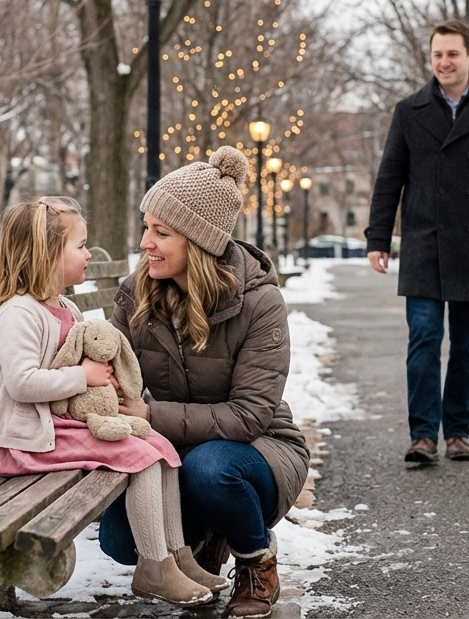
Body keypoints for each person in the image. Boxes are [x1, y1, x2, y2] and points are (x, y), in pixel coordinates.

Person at [98, 145, 310, 619]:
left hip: (257, 448)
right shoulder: (137, 294)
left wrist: (150, 415)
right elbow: (111, 365)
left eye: (161, 232)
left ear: (197, 241)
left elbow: (250, 414)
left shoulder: (260, 303)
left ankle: (256, 560)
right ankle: (200, 540)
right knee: (119, 539)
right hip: (175, 449)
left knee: (210, 470)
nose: (144, 243)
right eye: (145, 227)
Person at [0, 196, 220, 607]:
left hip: (59, 430)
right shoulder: (19, 313)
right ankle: (153, 569)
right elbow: (22, 384)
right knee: (139, 457)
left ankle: (177, 555)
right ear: (46, 255)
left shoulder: (65, 308)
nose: (89, 253)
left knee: (158, 448)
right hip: (24, 442)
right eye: (80, 245)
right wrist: (83, 377)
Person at [365, 20, 469, 464]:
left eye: (453, 54)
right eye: (438, 54)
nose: (444, 62)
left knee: (466, 346)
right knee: (422, 341)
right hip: (423, 245)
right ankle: (423, 434)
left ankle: (457, 431)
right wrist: (377, 238)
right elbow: (389, 180)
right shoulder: (409, 111)